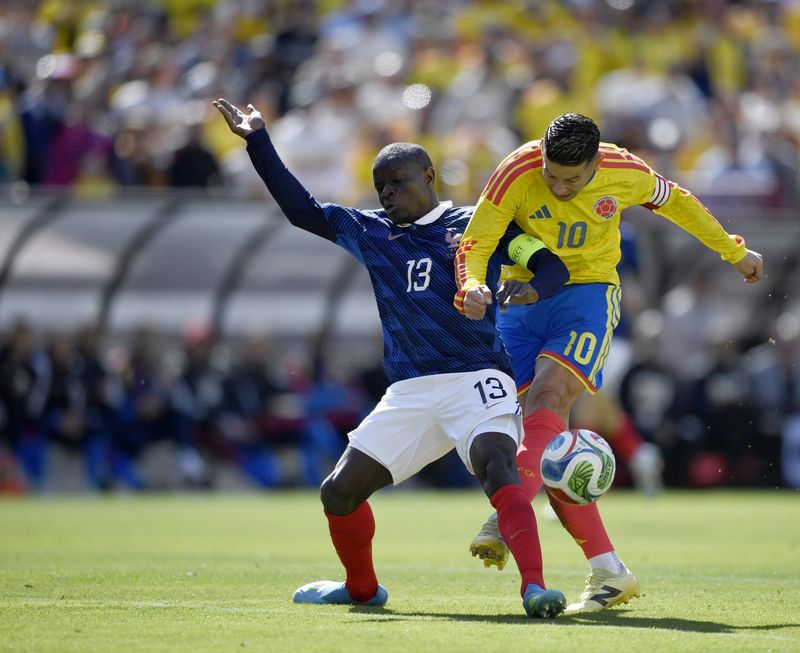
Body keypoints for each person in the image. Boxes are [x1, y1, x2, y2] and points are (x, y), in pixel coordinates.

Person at [212, 98, 570, 618]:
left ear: (429, 175)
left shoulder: (479, 225)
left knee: (496, 464)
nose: (387, 194)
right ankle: (362, 590)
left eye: (398, 182)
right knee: (338, 495)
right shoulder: (372, 231)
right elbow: (302, 211)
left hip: (476, 377)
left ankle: (534, 588)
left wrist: (524, 291)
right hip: (409, 391)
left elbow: (550, 268)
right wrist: (259, 143)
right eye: (381, 187)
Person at [455, 113, 763, 612]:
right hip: (521, 301)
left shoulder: (627, 172)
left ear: (596, 164)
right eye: (551, 174)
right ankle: (609, 571)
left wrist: (731, 250)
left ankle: (506, 515)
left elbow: (678, 204)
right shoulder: (516, 169)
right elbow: (478, 237)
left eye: (571, 179)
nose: (557, 185)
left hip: (589, 297)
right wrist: (470, 284)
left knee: (548, 400)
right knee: (536, 439)